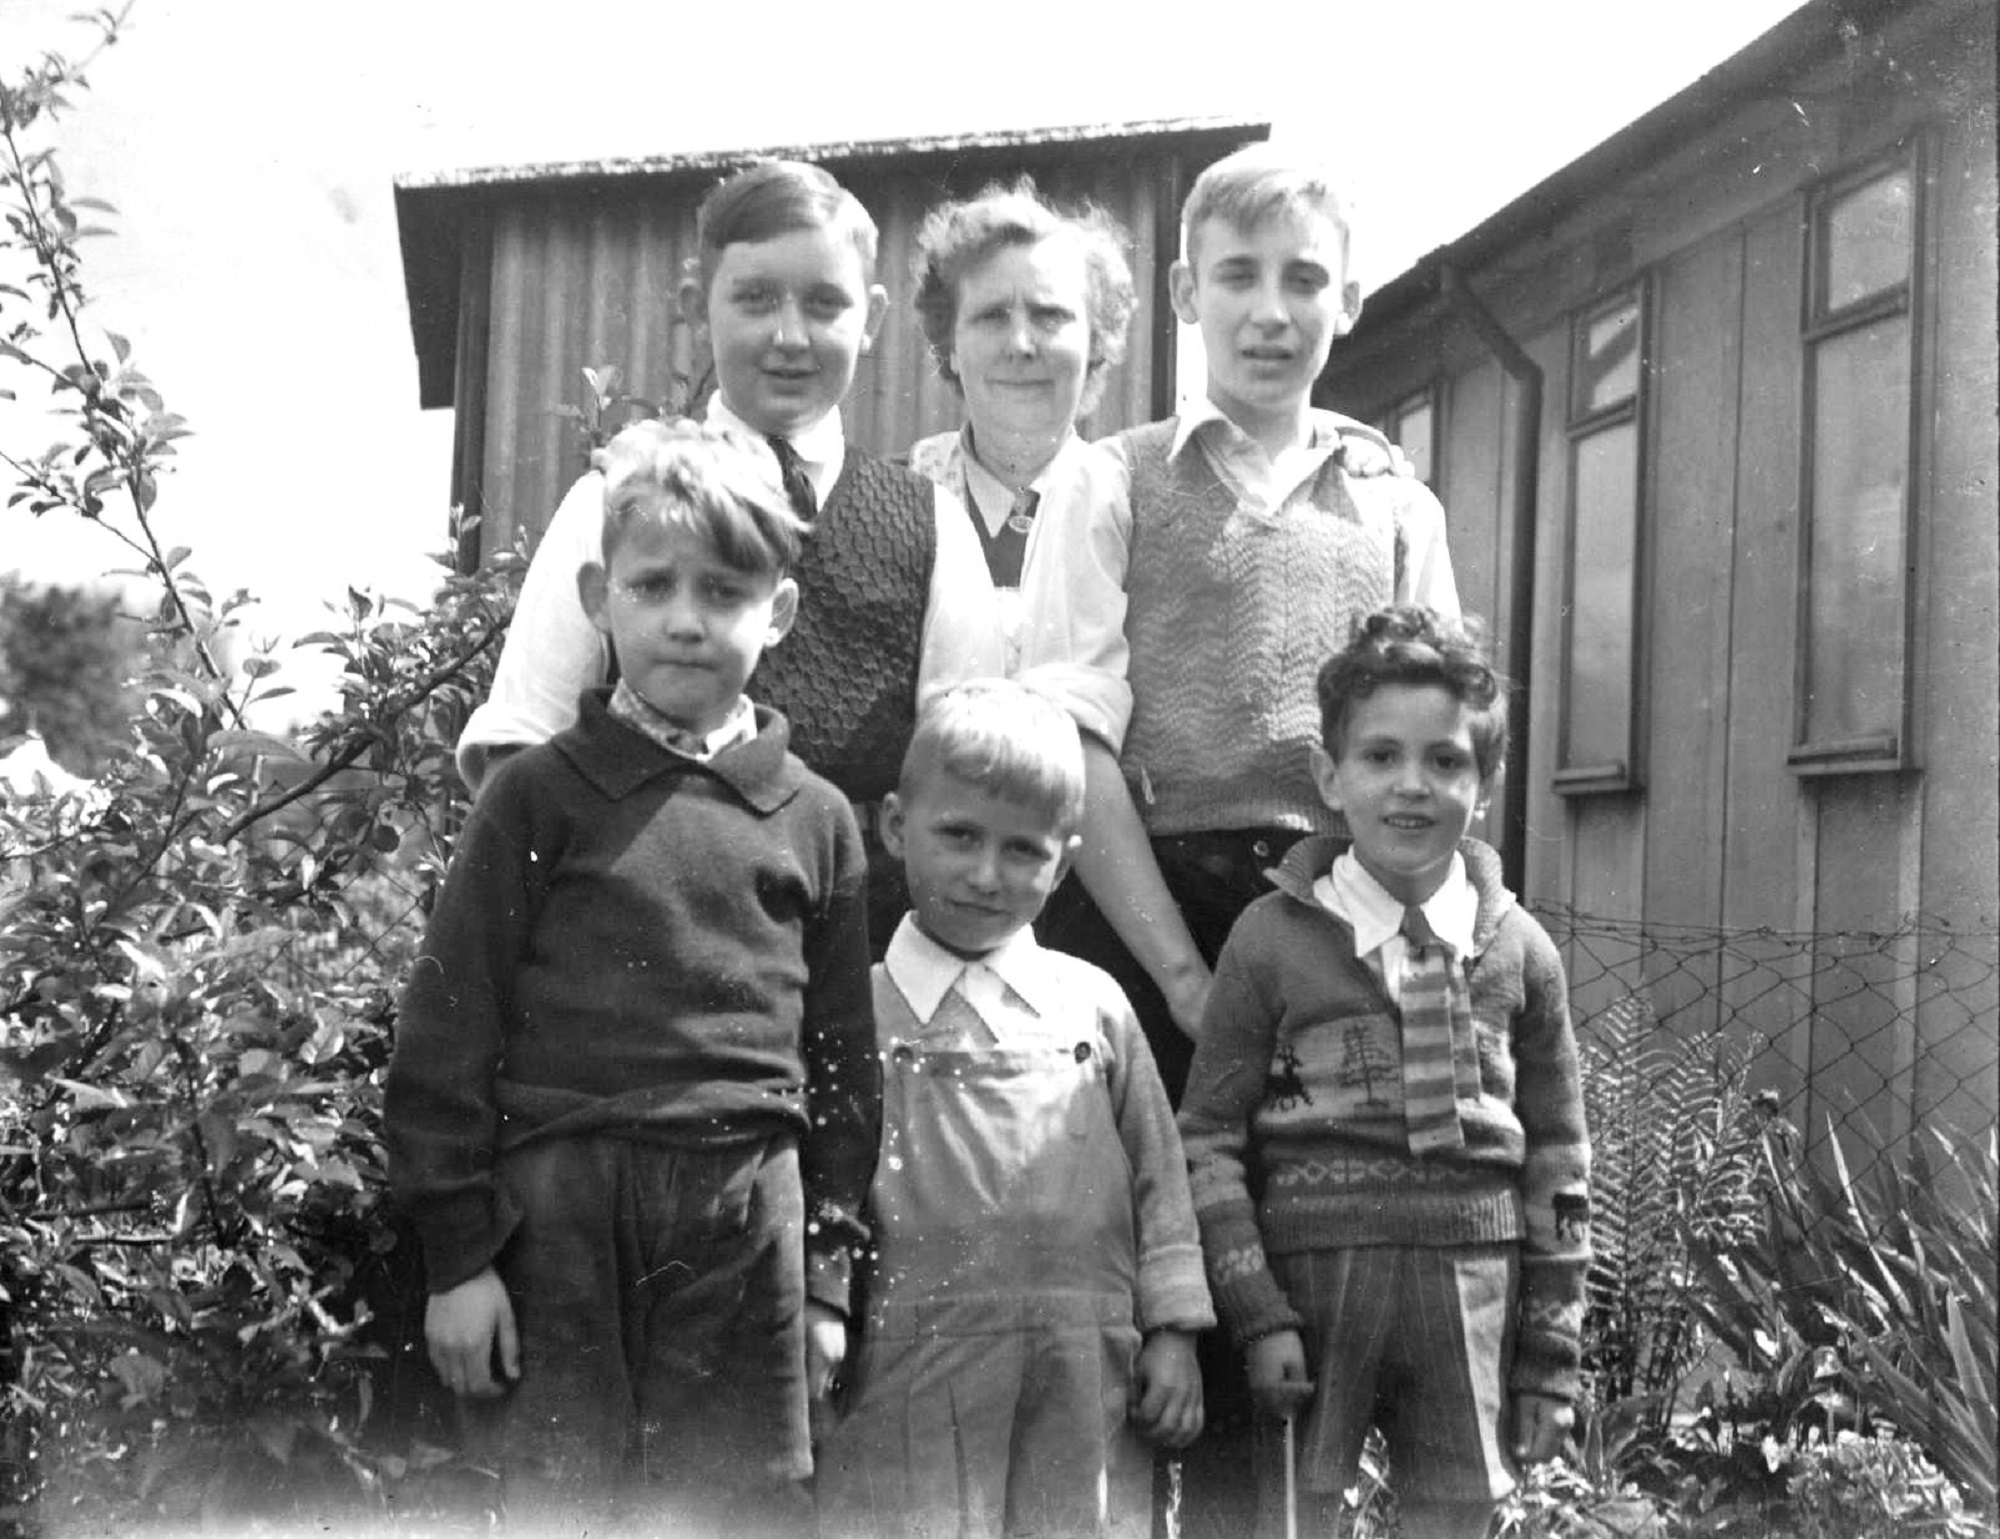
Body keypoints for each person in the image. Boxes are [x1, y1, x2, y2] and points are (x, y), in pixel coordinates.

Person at [385, 420, 881, 1537]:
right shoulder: (538, 798)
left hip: (746, 1204)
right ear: (601, 595)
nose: (686, 619)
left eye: (724, 589)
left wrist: (826, 1280)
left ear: (780, 611)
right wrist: (459, 1259)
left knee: (743, 1509)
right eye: (653, 585)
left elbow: (845, 1078)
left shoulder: (817, 820)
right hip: (562, 1208)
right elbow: (445, 1033)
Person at [456, 159, 1005, 951]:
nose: (789, 336)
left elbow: (968, 776)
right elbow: (517, 750)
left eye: (824, 304)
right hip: (641, 960)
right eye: (755, 299)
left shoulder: (930, 524)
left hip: (864, 961)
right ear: (694, 305)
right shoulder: (616, 500)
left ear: (874, 318)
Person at [1017, 143, 1460, 1104]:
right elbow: (1069, 739)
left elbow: (1443, 746)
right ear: (1185, 291)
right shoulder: (1109, 479)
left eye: (1303, 279)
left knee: (1325, 1208)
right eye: (1237, 276)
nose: (1270, 312)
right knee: (1155, 1212)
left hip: (1344, 915)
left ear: (1345, 300)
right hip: (1144, 912)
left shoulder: (1395, 504)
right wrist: (1182, 977)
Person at [1177, 606, 1591, 1539]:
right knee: (1293, 1513)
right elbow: (1206, 1135)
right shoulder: (1272, 940)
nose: (1412, 785)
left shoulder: (1518, 950)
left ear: (1482, 786)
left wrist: (1548, 1360)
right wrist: (1255, 1307)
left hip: (1474, 1285)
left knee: (1461, 1511)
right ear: (1329, 776)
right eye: (1380, 756)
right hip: (1313, 1291)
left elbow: (1561, 1157)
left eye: (1446, 761)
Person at [815, 679, 1212, 1539]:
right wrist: (822, 1309)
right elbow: (824, 1188)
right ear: (893, 827)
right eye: (958, 835)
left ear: (1064, 863)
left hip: (1081, 1363)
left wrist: (1175, 1328)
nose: (987, 875)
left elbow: (1160, 1175)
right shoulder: (859, 1008)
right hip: (910, 1359)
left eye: (1024, 851)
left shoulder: (1094, 1005)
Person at [904, 181, 1137, 671]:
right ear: (948, 343)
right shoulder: (898, 501)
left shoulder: (1135, 510)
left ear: (1096, 343)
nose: (1021, 344)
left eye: (1050, 315)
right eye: (991, 317)